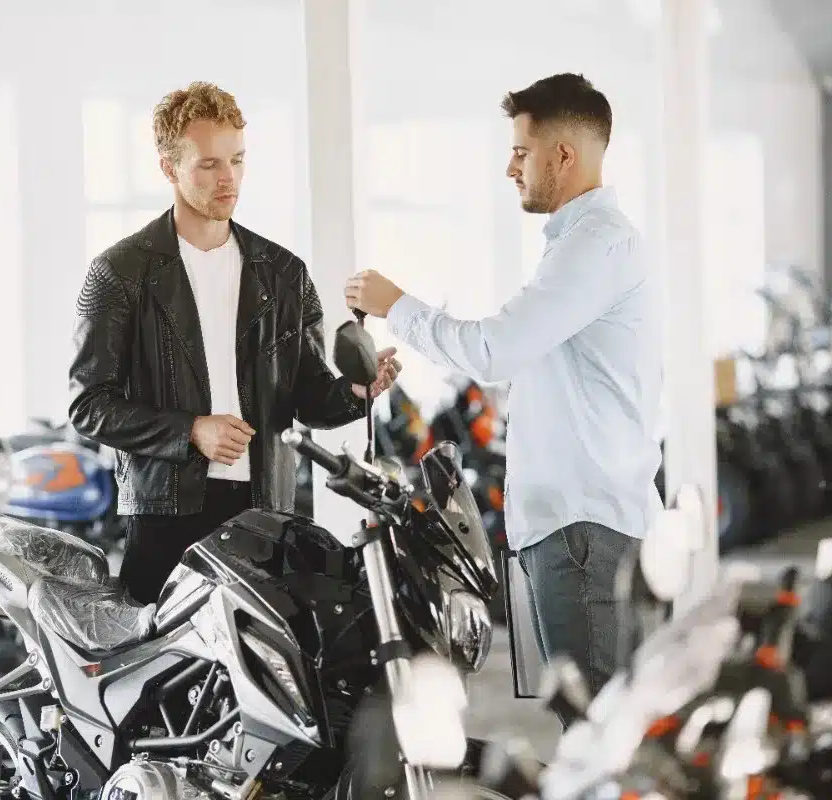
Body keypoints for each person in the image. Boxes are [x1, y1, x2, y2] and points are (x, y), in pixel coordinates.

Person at [344, 73, 663, 698]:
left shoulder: (595, 246)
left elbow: (493, 349)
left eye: (521, 151)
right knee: (589, 722)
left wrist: (396, 304)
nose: (509, 168)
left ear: (562, 155)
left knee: (596, 727)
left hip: (584, 535)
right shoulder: (581, 246)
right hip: (574, 530)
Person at [69, 81, 401, 605]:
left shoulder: (284, 273)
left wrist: (357, 392)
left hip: (267, 512)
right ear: (168, 167)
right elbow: (89, 407)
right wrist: (190, 431)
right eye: (208, 164)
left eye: (238, 160)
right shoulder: (119, 272)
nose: (229, 178)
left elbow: (309, 399)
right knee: (163, 678)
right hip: (164, 517)